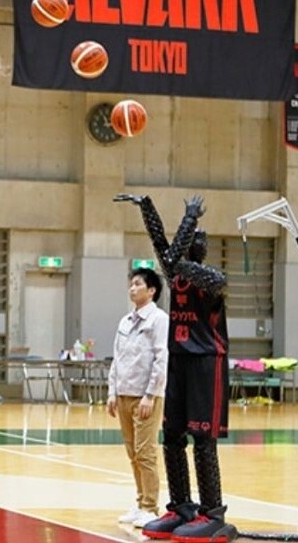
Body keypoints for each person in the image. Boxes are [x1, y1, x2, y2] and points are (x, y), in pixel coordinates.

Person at [115, 194, 237, 543]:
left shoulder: (212, 277)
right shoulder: (176, 272)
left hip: (205, 364)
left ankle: (212, 511)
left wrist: (188, 219)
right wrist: (148, 208)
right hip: (179, 360)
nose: (195, 239)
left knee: (202, 439)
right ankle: (182, 505)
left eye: (199, 234)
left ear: (204, 248)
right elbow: (163, 251)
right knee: (171, 437)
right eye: (192, 233)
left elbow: (169, 258)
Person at [108, 267, 169, 529]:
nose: (132, 289)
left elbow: (161, 358)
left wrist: (151, 395)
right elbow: (117, 359)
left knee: (146, 453)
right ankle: (140, 500)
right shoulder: (125, 321)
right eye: (130, 284)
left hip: (146, 397)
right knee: (133, 453)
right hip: (124, 394)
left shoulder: (159, 319)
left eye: (137, 284)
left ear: (151, 290)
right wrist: (112, 392)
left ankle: (150, 507)